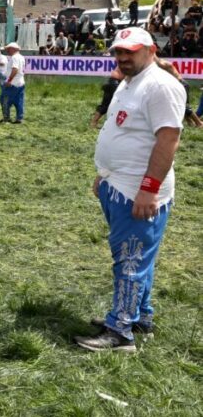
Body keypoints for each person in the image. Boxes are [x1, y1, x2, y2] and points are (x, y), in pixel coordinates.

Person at [75, 27, 186, 353]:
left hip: (139, 190)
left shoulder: (161, 87)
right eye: (118, 51)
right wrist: (105, 174)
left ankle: (120, 331)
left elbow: (169, 140)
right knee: (138, 258)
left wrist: (149, 190)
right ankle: (140, 317)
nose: (122, 57)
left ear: (151, 51)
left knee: (130, 260)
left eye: (130, 51)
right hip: (118, 184)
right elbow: (122, 129)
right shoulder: (130, 81)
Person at [1, 42, 26, 124]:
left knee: (4, 100)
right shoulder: (21, 57)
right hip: (20, 82)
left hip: (13, 83)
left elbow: (15, 69)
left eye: (8, 49)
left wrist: (9, 80)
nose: (7, 51)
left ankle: (6, 118)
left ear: (12, 49)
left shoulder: (14, 57)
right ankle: (19, 118)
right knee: (19, 101)